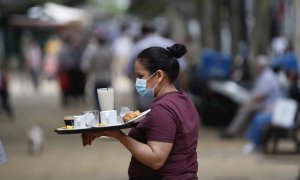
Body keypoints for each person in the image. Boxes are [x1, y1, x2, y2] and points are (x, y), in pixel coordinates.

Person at [81, 44, 200, 179]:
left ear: (159, 75)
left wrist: (120, 136)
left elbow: (156, 159)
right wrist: (109, 132)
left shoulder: (163, 109)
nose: (137, 82)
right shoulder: (184, 100)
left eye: (140, 75)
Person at [125, 23, 188, 111]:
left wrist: (142, 84)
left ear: (159, 76)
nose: (140, 81)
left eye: (141, 76)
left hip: (145, 103)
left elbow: (129, 72)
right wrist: (183, 90)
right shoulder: (169, 42)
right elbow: (182, 70)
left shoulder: (138, 46)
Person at [221, 55, 282, 138]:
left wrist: (247, 101)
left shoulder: (268, 77)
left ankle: (231, 131)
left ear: (262, 66)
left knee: (245, 108)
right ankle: (239, 131)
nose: (256, 68)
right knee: (245, 106)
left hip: (269, 105)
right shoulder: (264, 75)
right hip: (263, 103)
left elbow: (260, 96)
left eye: (257, 66)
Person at [81, 28, 113, 110]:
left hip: (97, 79)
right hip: (106, 78)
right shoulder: (108, 51)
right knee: (108, 102)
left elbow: (90, 66)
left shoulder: (94, 52)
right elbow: (110, 65)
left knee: (97, 102)